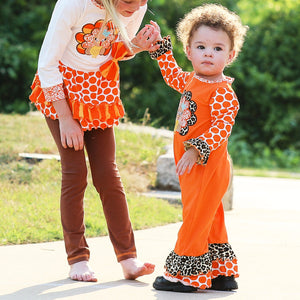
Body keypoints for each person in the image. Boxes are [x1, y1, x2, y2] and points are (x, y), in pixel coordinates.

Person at [29, 0, 160, 282]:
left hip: (98, 91)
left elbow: (110, 52)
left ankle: (128, 258)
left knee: (108, 176)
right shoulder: (73, 5)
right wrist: (65, 118)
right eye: (128, 1)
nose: (136, 7)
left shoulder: (136, 6)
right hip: (62, 89)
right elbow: (46, 63)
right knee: (75, 174)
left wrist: (137, 44)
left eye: (141, 1)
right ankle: (77, 259)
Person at [148, 4, 248, 292]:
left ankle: (184, 275)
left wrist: (195, 149)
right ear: (189, 51)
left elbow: (220, 129)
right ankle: (220, 272)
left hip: (206, 167)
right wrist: (160, 48)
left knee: (194, 218)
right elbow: (171, 75)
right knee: (210, 216)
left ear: (230, 56)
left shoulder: (222, 93)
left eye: (217, 49)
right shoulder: (193, 80)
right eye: (201, 46)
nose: (208, 53)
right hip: (193, 168)